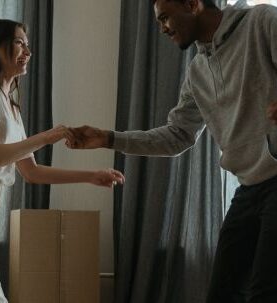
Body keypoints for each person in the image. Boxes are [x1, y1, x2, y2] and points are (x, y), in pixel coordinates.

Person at [66, 1, 277, 302]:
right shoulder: (197, 72)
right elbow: (177, 136)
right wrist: (109, 138)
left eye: (165, 17)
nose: (163, 28)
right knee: (222, 293)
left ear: (193, 5)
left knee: (264, 292)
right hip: (248, 188)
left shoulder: (261, 21)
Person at [0, 19, 124, 303]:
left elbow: (32, 172)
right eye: (19, 42)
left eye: (27, 44)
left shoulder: (12, 107)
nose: (27, 51)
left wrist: (91, 175)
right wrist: (47, 137)